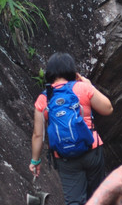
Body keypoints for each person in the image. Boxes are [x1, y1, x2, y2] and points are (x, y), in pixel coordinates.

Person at [29, 52, 113, 204]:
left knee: (74, 201)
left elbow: (37, 135)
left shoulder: (43, 99)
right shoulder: (82, 88)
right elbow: (108, 109)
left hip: (65, 157)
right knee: (99, 196)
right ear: (71, 70)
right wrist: (89, 85)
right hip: (91, 149)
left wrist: (35, 161)